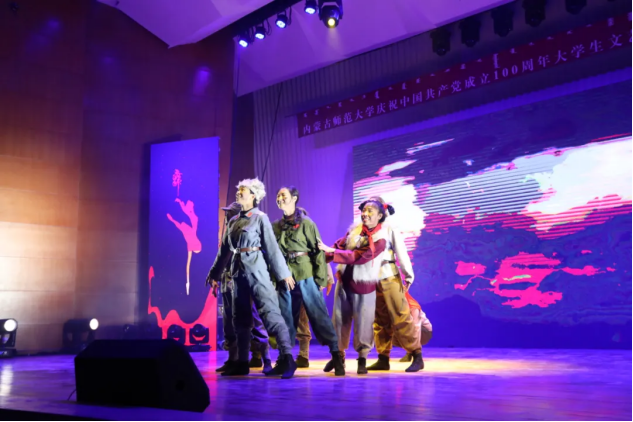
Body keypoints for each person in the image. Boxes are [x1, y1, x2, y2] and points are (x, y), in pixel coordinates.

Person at [206, 178, 297, 379]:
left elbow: (272, 248)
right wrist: (214, 274)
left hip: (257, 271)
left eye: (243, 191)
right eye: (238, 190)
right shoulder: (233, 222)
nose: (238, 193)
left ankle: (287, 358)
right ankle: (242, 362)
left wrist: (284, 273)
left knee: (270, 313)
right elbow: (224, 252)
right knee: (240, 318)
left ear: (253, 196)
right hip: (237, 274)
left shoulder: (260, 218)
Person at [272, 186, 345, 376]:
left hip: (305, 274)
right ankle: (285, 359)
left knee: (319, 315)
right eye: (278, 195)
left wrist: (321, 279)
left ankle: (336, 356)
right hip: (285, 276)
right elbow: (273, 254)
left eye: (283, 195)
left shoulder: (307, 223)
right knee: (285, 318)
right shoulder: (276, 226)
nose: (279, 198)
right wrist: (276, 277)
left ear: (294, 198)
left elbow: (317, 251)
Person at [362, 197, 424, 373]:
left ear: (380, 213)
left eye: (370, 210)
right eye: (364, 210)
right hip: (371, 279)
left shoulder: (389, 228)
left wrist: (408, 274)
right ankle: (383, 357)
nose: (366, 213)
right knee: (379, 319)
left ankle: (416, 354)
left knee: (400, 315)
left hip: (389, 275)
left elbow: (401, 251)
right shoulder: (363, 232)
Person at [214, 202, 273, 375]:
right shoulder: (229, 233)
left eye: (230, 213)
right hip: (228, 283)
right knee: (229, 324)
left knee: (254, 321)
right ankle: (233, 360)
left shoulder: (249, 232)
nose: (227, 216)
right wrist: (216, 278)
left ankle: (266, 359)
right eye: (227, 213)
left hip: (245, 282)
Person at [167, 198, 202, 295]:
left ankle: (182, 204)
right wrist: (184, 204)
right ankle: (184, 204)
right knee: (190, 215)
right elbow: (193, 217)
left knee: (183, 218)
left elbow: (188, 265)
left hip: (184, 224)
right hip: (188, 222)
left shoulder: (189, 245)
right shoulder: (193, 229)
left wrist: (188, 281)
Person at [396, 291, 433, 363]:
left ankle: (414, 353)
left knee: (410, 329)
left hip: (425, 332)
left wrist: (416, 352)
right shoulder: (400, 306)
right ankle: (410, 351)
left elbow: (416, 328)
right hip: (413, 330)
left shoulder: (413, 306)